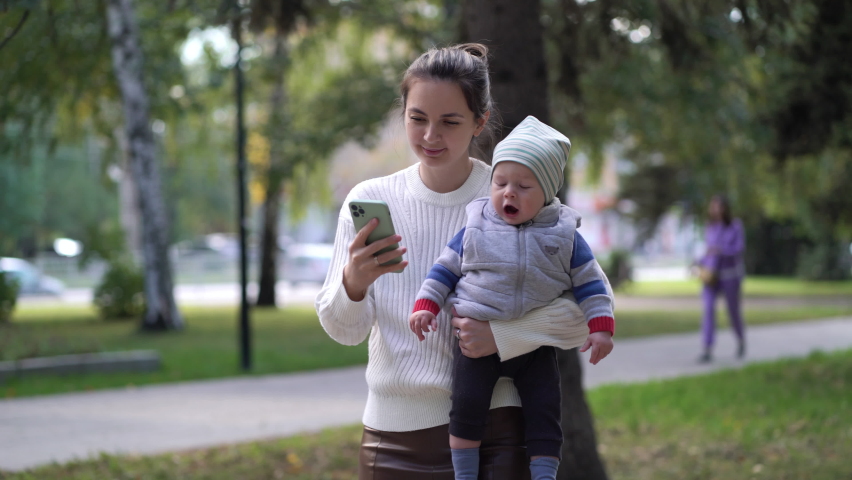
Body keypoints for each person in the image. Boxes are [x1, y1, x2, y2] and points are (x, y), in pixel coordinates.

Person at [315, 44, 612, 479]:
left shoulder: (515, 198)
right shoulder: (369, 200)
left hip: (496, 432)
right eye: (417, 119)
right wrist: (353, 283)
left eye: (449, 122)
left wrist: (502, 335)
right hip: (389, 435)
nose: (430, 136)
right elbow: (344, 330)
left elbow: (585, 313)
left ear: (480, 122)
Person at [409, 116, 615, 480]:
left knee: (546, 409)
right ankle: (465, 474)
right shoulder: (476, 225)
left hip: (534, 348)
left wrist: (601, 328)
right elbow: (444, 269)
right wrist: (426, 304)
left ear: (549, 192)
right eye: (500, 183)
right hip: (474, 337)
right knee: (466, 407)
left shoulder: (564, 234)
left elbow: (591, 283)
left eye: (523, 186)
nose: (509, 193)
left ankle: (544, 474)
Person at [698, 194, 746, 363]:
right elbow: (708, 251)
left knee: (733, 312)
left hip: (730, 275)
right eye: (713, 206)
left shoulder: (735, 225)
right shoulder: (710, 227)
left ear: (725, 208)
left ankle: (740, 340)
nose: (714, 210)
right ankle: (707, 348)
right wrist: (698, 263)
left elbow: (739, 248)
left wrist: (721, 250)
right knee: (709, 310)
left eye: (718, 206)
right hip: (711, 277)